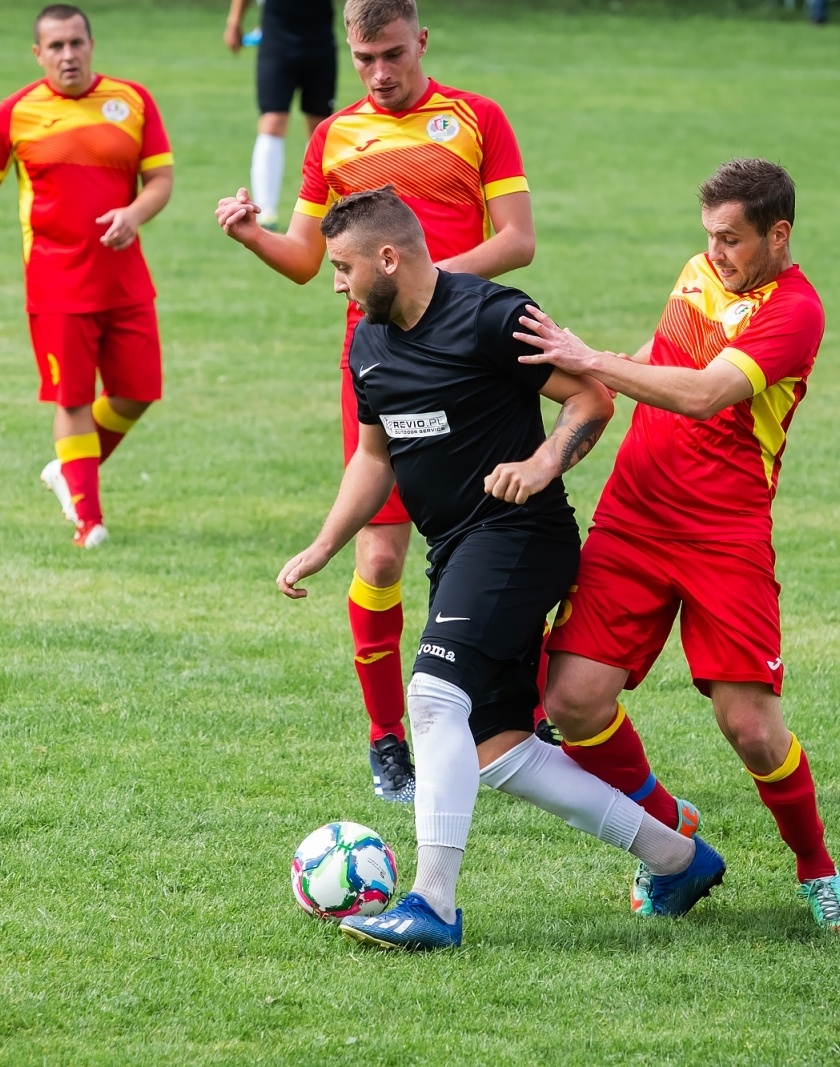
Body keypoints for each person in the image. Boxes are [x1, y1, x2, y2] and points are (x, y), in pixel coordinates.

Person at [276, 187, 726, 951]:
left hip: (520, 535)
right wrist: (323, 543)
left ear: (389, 257)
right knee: (500, 750)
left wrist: (546, 459)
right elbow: (374, 456)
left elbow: (591, 393)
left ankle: (433, 902)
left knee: (433, 692)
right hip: (457, 550)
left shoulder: (490, 315)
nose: (338, 283)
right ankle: (677, 858)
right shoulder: (368, 344)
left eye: (345, 266)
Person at [515, 159, 840, 933]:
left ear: (778, 235)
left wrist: (587, 356)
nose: (716, 252)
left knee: (751, 726)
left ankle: (817, 866)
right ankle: (672, 830)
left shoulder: (796, 312)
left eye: (732, 239)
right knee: (571, 700)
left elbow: (704, 393)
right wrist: (581, 399)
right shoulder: (700, 270)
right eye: (708, 236)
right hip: (635, 515)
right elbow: (658, 357)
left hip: (723, 533)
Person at [216, 0, 536, 804]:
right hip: (382, 367)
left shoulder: (475, 119)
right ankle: (387, 738)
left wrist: (434, 294)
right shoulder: (334, 137)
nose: (380, 73)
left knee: (505, 539)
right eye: (364, 60)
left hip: (475, 363)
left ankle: (514, 715)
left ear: (422, 40)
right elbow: (302, 260)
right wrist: (252, 233)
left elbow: (518, 238)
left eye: (393, 54)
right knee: (382, 555)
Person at [0, 4, 174, 548]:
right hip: (56, 284)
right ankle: (88, 520)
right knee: (72, 399)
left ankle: (67, 469)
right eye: (57, 46)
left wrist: (133, 214)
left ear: (91, 45)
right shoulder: (14, 114)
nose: (68, 55)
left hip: (126, 280)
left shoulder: (132, 101)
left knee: (136, 392)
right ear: (38, 53)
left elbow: (159, 178)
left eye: (76, 43)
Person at [224, 0, 338, 230]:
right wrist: (234, 20)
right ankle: (266, 213)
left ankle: (317, 209)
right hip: (277, 41)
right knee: (272, 119)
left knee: (319, 127)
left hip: (320, 40)